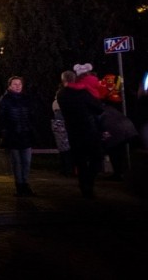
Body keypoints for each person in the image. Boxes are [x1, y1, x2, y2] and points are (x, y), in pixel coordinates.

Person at [56, 70, 105, 199]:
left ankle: (84, 187)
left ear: (63, 81)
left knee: (80, 160)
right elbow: (99, 108)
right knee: (97, 156)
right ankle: (89, 182)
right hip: (89, 129)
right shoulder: (83, 92)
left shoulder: (61, 94)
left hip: (73, 131)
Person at [0, 75, 37, 196]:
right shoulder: (5, 99)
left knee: (26, 161)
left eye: (19, 84)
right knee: (17, 162)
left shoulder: (26, 99)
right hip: (13, 135)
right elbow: (0, 117)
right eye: (15, 84)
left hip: (26, 135)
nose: (18, 86)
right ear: (9, 86)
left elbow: (32, 115)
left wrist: (31, 127)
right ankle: (19, 186)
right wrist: (5, 130)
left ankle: (25, 184)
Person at [50, 97, 73, 176]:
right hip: (62, 126)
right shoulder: (61, 103)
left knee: (63, 149)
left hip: (58, 126)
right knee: (66, 149)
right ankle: (68, 169)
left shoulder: (55, 103)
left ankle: (64, 169)